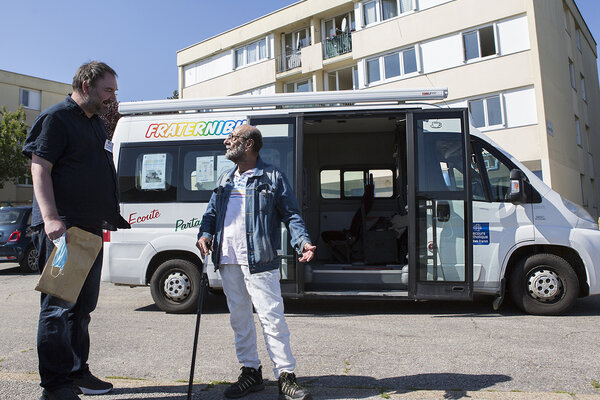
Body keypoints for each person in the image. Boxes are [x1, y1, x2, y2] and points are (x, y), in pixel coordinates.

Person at [22, 61, 130, 400]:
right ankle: (55, 387)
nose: (112, 96)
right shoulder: (56, 118)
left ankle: (77, 373)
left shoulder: (95, 125)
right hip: (64, 232)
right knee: (59, 308)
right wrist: (52, 218)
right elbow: (39, 168)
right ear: (86, 85)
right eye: (108, 90)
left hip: (89, 230)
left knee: (82, 309)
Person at [196, 124, 316, 400]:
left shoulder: (271, 177)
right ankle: (250, 372)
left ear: (248, 144)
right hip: (227, 260)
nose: (227, 142)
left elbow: (291, 214)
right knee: (240, 319)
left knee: (272, 318)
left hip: (260, 261)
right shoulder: (225, 178)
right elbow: (211, 214)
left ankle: (286, 376)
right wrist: (204, 234)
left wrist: (303, 241)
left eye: (233, 138)